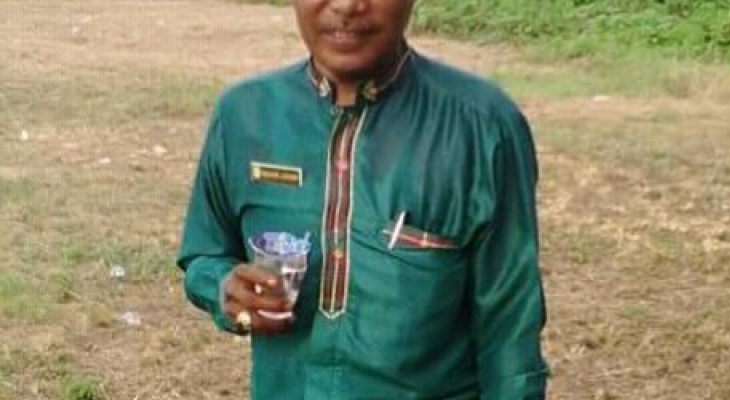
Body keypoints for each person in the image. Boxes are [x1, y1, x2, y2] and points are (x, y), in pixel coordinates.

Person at [177, 0, 549, 399]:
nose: (346, 5)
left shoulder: (482, 126)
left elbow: (510, 331)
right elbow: (204, 253)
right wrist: (224, 289)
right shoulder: (245, 114)